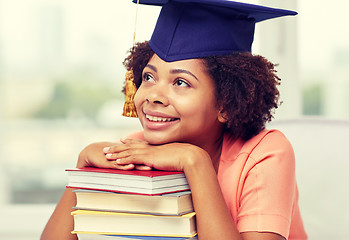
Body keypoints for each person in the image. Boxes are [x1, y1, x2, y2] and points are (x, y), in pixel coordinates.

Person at [41, 0, 307, 239]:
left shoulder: (265, 154)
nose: (154, 96)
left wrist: (195, 162)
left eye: (180, 82)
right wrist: (83, 171)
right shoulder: (137, 149)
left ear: (226, 102)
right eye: (148, 77)